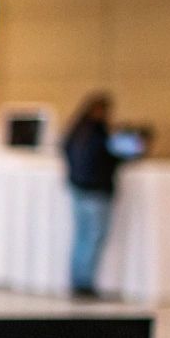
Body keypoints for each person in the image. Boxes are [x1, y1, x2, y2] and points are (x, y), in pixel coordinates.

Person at [62, 91, 120, 298]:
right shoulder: (98, 133)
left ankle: (79, 280)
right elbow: (110, 157)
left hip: (79, 188)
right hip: (95, 190)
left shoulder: (75, 131)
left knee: (82, 237)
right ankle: (84, 283)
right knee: (93, 237)